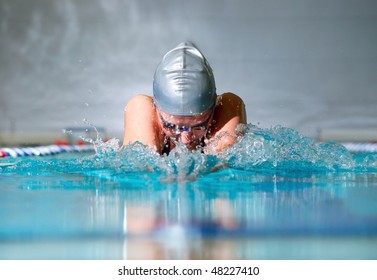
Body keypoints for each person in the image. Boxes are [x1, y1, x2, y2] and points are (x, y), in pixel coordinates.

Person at [123, 41, 246, 155]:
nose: (185, 139)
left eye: (199, 126)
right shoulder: (142, 109)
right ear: (156, 108)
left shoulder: (227, 108)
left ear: (213, 108)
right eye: (171, 126)